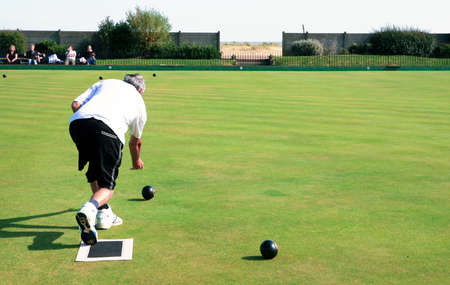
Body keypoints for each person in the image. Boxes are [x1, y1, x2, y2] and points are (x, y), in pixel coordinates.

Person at [69, 74, 147, 245]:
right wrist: (136, 162)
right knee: (107, 187)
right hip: (109, 131)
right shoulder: (139, 103)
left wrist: (90, 122)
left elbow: (75, 104)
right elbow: (135, 142)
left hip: (77, 124)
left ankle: (103, 214)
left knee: (94, 170)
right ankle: (89, 209)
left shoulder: (107, 82)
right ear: (140, 91)